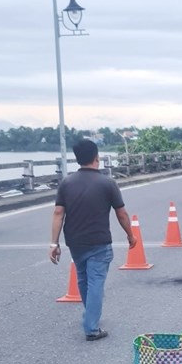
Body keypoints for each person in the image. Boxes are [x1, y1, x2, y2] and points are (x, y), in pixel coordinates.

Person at [49, 139, 137, 341]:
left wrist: (54, 244)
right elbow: (121, 214)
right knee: (96, 282)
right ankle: (91, 328)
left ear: (77, 159)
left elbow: (57, 213)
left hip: (75, 241)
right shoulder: (107, 183)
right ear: (97, 157)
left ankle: (91, 315)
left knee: (83, 278)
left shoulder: (67, 183)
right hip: (99, 242)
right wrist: (130, 235)